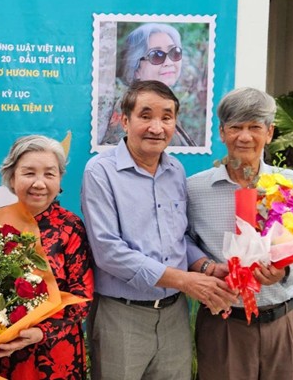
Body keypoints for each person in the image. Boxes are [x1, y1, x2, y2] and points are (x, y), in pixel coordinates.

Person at [82, 80, 237, 380]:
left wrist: (205, 266)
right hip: (121, 315)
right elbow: (108, 251)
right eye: (145, 115)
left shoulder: (175, 170)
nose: (156, 127)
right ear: (124, 121)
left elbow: (178, 237)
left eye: (166, 117)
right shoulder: (100, 172)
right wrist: (185, 281)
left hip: (174, 315)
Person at [186, 87, 293, 380]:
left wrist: (285, 270)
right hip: (223, 323)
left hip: (282, 319)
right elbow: (184, 240)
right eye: (236, 127)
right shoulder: (195, 189)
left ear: (269, 133)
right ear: (222, 132)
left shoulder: (292, 185)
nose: (245, 137)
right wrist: (206, 267)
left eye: (254, 127)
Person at [0, 135, 94, 379]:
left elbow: (82, 297)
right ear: (12, 177)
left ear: (60, 179)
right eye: (29, 173)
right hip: (2, 351)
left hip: (55, 352)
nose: (39, 183)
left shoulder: (70, 227)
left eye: (49, 174)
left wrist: (41, 331)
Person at [101, 23, 197, 146]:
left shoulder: (167, 103)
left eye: (174, 52)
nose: (169, 62)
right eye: (156, 55)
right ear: (136, 69)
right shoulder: (130, 106)